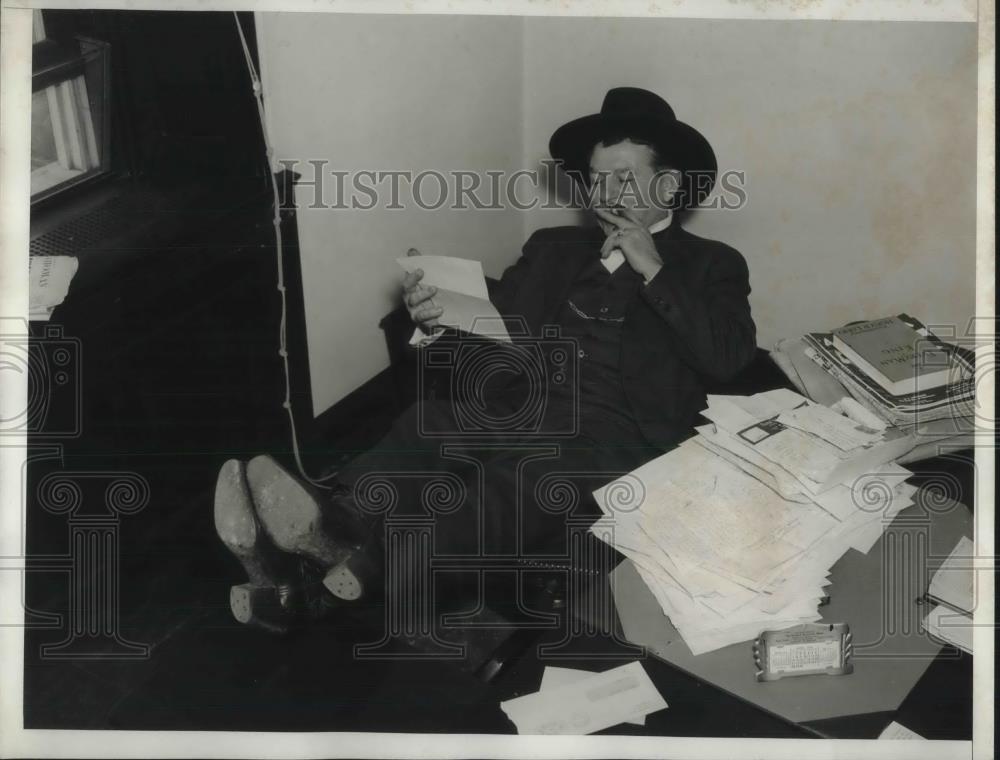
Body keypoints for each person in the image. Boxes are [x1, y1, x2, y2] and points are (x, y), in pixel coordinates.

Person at [214, 87, 757, 633]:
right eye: (596, 178)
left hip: (613, 435)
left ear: (668, 185)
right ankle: (329, 533)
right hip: (520, 404)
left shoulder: (712, 266)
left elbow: (728, 360)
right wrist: (433, 320)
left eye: (624, 177)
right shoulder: (552, 248)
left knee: (517, 482)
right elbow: (491, 331)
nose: (605, 192)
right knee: (426, 425)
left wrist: (653, 269)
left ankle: (315, 580)